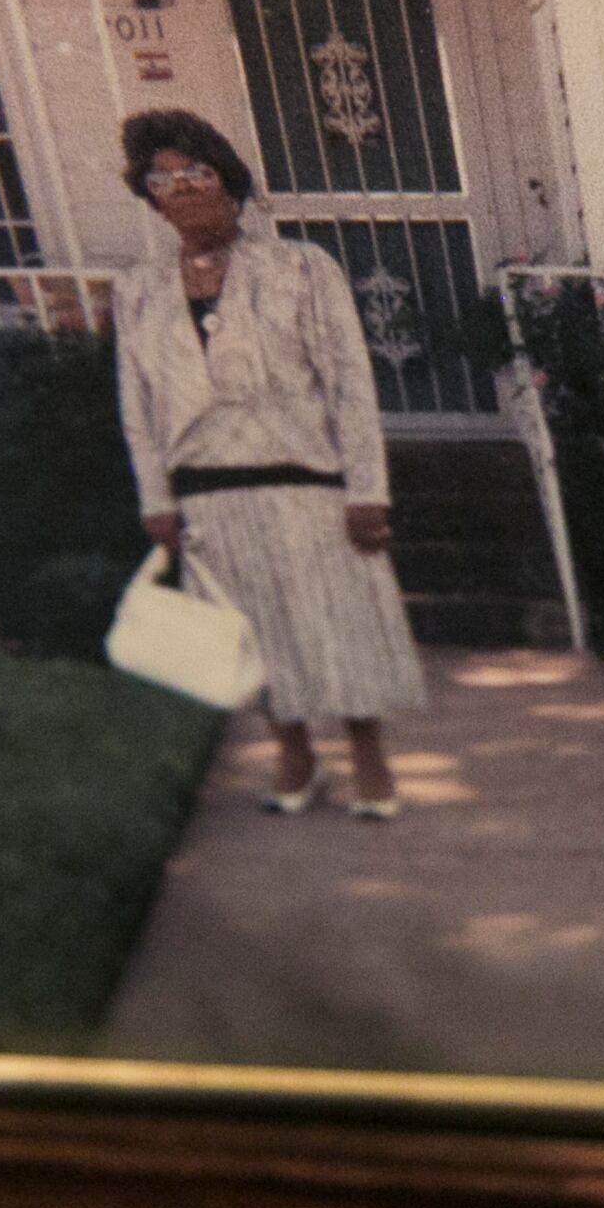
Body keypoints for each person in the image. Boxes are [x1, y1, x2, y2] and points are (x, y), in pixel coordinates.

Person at [111, 108, 424, 819]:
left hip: (306, 478)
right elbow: (137, 404)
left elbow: (350, 383)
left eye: (197, 173)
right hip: (207, 490)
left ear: (230, 182)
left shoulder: (302, 268)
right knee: (250, 632)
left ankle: (367, 755)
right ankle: (294, 753)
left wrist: (367, 488)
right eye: (163, 180)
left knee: (339, 619)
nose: (182, 189)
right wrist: (155, 499)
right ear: (151, 200)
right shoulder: (137, 290)